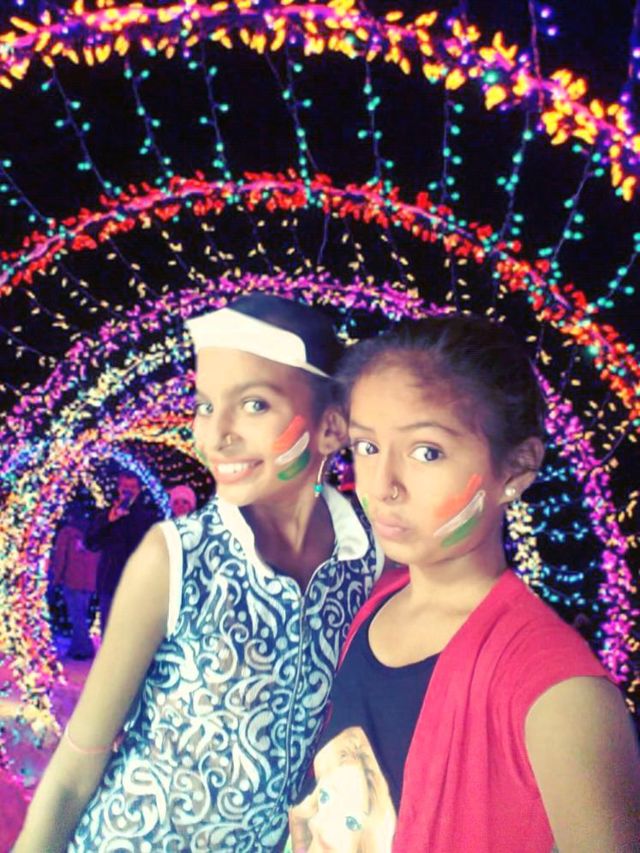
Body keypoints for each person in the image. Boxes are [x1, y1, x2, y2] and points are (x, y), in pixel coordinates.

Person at [15, 293, 383, 852]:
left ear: (332, 428)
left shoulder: (370, 560)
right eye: (206, 405)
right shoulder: (175, 557)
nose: (216, 434)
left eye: (254, 404)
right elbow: (77, 761)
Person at [289, 315, 640, 852]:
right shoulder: (372, 605)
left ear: (516, 469)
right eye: (367, 447)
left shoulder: (560, 694)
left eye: (426, 452)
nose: (382, 486)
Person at [84, 470, 157, 632]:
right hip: (110, 586)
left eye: (132, 487)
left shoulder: (148, 517)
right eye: (124, 486)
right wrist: (108, 520)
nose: (128, 491)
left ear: (139, 490)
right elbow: (90, 542)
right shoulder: (106, 513)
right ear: (118, 488)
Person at [50, 507, 99, 660]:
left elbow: (60, 557)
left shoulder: (67, 534)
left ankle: (84, 648)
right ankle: (77, 647)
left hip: (72, 580)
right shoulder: (93, 533)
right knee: (81, 615)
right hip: (89, 582)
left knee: (77, 617)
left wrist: (55, 579)